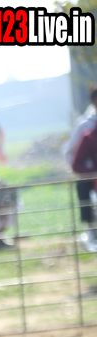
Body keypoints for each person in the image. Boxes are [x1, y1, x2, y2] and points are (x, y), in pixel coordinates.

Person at [64, 87, 97, 250]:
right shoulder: (86, 128)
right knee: (83, 187)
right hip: (91, 176)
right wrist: (90, 172)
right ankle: (91, 230)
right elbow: (71, 155)